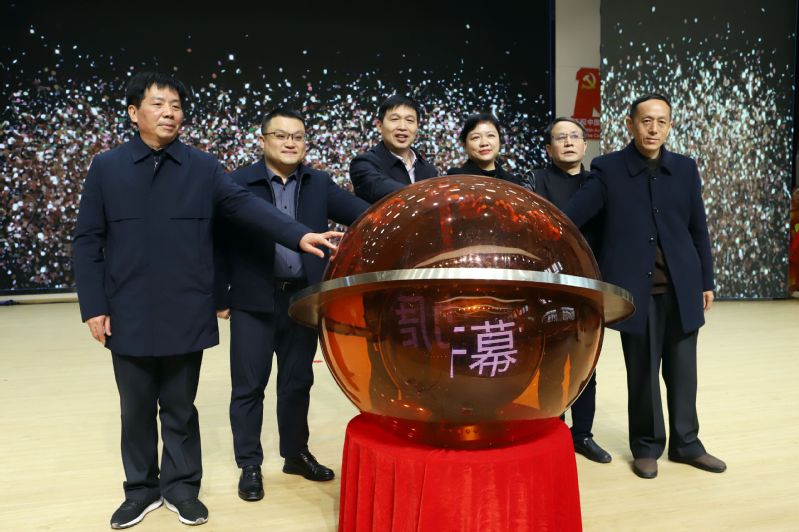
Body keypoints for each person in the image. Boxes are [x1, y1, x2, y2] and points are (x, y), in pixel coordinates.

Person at [72, 72, 341, 529]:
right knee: (135, 409)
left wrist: (298, 235)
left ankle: (181, 488)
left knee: (180, 407)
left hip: (186, 307)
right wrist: (95, 306)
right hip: (128, 308)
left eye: (176, 105)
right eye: (158, 104)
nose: (169, 112)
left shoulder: (203, 167)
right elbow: (87, 240)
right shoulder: (107, 167)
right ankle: (140, 490)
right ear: (134, 113)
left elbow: (249, 208)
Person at [564, 94, 726, 479]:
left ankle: (687, 444)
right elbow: (573, 216)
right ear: (630, 124)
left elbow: (698, 229)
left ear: (670, 125)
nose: (654, 129)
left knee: (684, 373)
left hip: (682, 287)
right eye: (646, 121)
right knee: (643, 374)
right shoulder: (608, 169)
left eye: (661, 121)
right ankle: (647, 445)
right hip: (637, 294)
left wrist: (706, 280)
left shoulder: (685, 168)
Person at [214, 108, 369, 502]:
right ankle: (250, 464)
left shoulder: (319, 183)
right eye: (280, 135)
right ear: (262, 140)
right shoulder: (238, 183)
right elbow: (217, 242)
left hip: (301, 299)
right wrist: (220, 294)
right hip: (253, 298)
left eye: (297, 137)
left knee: (297, 382)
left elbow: (363, 214)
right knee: (249, 386)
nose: (289, 143)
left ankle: (295, 454)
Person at [533, 117, 611, 464]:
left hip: (590, 283)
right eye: (560, 138)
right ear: (548, 148)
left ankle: (582, 435)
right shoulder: (536, 181)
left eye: (574, 137)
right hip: (549, 283)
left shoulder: (599, 182)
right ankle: (552, 430)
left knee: (585, 364)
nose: (568, 142)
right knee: (550, 360)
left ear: (584, 144)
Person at [349, 94, 439, 203]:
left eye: (409, 120)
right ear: (379, 126)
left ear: (417, 127)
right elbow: (377, 188)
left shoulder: (430, 171)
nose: (402, 127)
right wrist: (424, 194)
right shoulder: (364, 164)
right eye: (395, 119)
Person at [446, 112, 524, 186]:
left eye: (490, 135)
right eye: (476, 137)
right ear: (464, 145)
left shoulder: (514, 183)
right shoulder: (455, 179)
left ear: (499, 140)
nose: (484, 143)